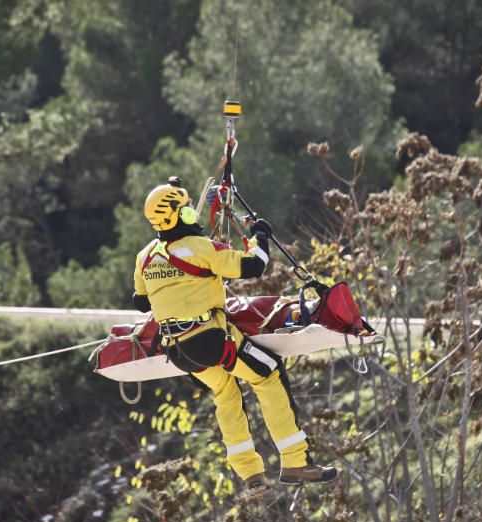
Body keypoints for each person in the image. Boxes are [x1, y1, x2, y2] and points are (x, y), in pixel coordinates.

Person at [133, 178, 337, 498]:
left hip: (178, 350)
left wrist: (177, 287)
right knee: (267, 374)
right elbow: (256, 266)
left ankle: (251, 475)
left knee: (226, 391)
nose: (191, 213)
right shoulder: (201, 249)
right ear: (177, 216)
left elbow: (142, 302)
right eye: (185, 209)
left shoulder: (145, 256)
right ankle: (296, 462)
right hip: (211, 341)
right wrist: (259, 236)